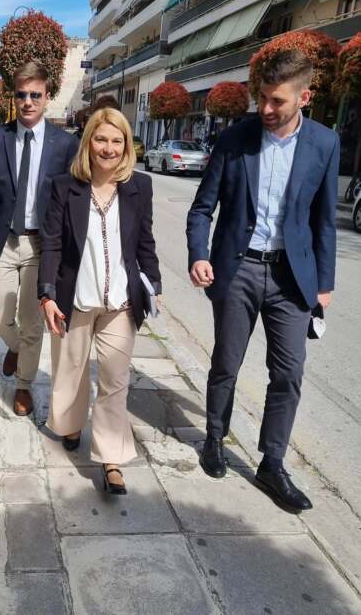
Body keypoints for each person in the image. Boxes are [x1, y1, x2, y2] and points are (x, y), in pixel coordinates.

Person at [186, 49, 339, 512]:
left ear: (304, 97)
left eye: (278, 101)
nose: (267, 109)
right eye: (263, 99)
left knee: (289, 373)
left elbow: (324, 221)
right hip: (239, 270)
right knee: (227, 363)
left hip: (292, 278)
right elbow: (202, 208)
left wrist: (324, 283)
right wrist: (199, 254)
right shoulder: (235, 139)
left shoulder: (325, 143)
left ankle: (272, 464)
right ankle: (214, 439)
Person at [39, 107, 162, 495]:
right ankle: (71, 424)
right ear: (88, 142)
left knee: (114, 379)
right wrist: (46, 294)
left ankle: (111, 458)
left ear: (126, 146)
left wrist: (154, 284)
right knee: (71, 371)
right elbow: (52, 244)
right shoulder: (65, 186)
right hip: (74, 299)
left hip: (120, 304)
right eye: (101, 139)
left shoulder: (140, 186)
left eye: (117, 140)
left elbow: (145, 242)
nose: (108, 148)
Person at [0, 61, 78, 416]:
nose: (28, 102)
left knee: (32, 321)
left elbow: (72, 200)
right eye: (22, 94)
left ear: (47, 97)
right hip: (4, 240)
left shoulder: (64, 144)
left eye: (36, 95)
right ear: (14, 97)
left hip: (41, 245)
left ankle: (23, 385)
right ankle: (17, 348)